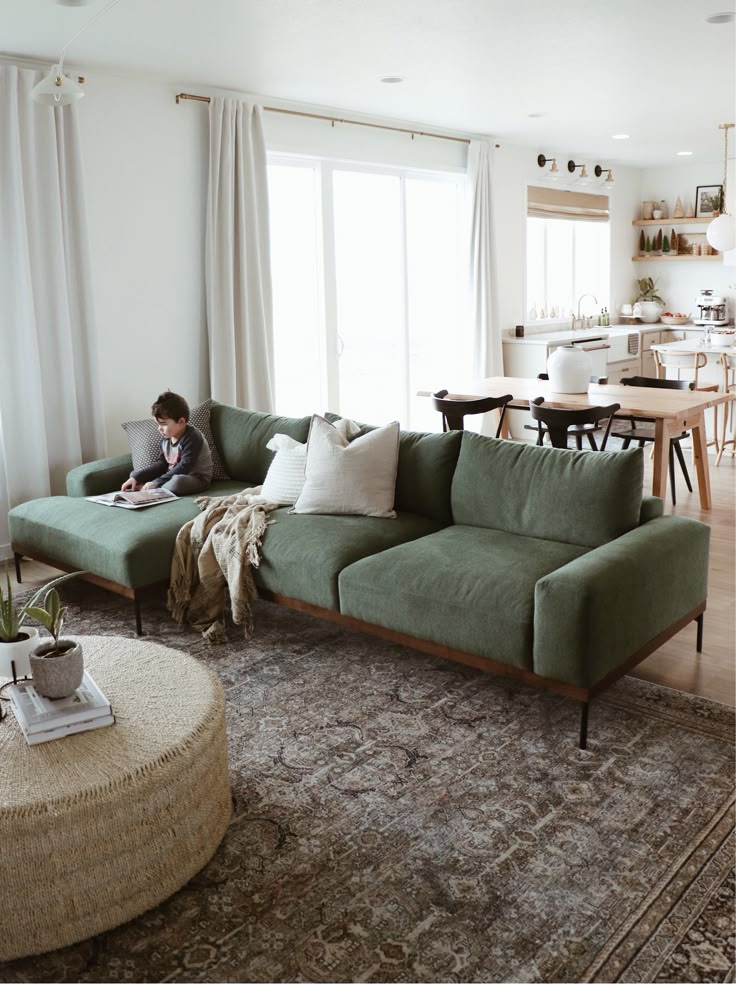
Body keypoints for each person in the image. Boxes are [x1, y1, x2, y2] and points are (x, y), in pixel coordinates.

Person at [121, 391, 213, 496]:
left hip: (196, 478)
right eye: (157, 424)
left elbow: (184, 466)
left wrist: (156, 482)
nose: (159, 429)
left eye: (163, 424)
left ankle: (151, 489)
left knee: (177, 482)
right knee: (135, 474)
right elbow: (161, 464)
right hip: (172, 475)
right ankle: (147, 486)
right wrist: (137, 477)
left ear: (181, 422)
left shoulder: (192, 436)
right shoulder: (166, 438)